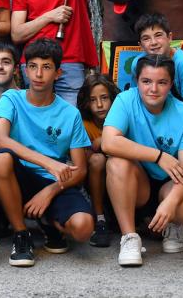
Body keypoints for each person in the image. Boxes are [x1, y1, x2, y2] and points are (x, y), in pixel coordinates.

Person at [0, 38, 94, 267]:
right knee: (2, 158)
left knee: (83, 228)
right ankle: (21, 233)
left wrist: (49, 191)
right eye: (33, 67)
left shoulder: (70, 113)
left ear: (58, 73)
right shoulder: (12, 98)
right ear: (24, 71)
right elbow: (0, 139)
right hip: (19, 177)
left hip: (54, 182)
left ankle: (48, 220)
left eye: (46, 67)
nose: (38, 74)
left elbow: (80, 169)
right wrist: (49, 163)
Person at [103, 55, 183, 266]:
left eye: (162, 82)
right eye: (146, 81)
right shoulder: (125, 100)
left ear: (170, 85)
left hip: (170, 183)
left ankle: (175, 225)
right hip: (137, 183)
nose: (153, 89)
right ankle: (129, 237)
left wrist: (171, 203)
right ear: (137, 81)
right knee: (116, 162)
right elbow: (108, 142)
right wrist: (158, 156)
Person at [135, 13, 183, 244]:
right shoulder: (141, 66)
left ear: (170, 37)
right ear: (140, 44)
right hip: (159, 123)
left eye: (158, 36)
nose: (153, 42)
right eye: (146, 38)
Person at [75, 74, 119, 248]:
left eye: (104, 98)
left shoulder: (121, 118)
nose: (99, 105)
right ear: (86, 102)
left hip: (122, 180)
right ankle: (99, 219)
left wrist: (104, 140)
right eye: (93, 100)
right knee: (98, 160)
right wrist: (97, 146)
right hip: (91, 185)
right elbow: (82, 161)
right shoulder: (83, 123)